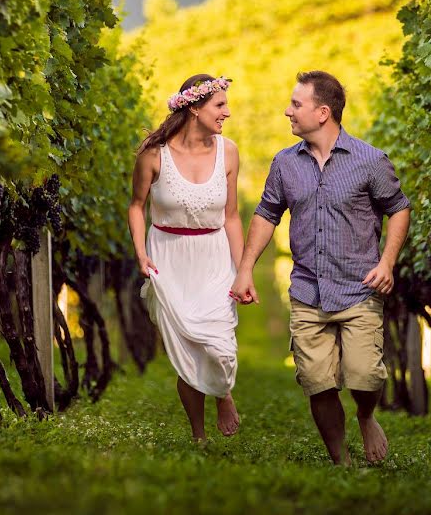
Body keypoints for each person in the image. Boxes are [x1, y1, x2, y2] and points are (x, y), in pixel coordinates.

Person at [230, 71, 411, 465]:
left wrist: (387, 262)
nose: (287, 112)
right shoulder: (284, 164)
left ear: (323, 112)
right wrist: (245, 269)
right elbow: (266, 215)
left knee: (364, 375)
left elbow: (398, 208)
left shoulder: (370, 161)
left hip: (359, 288)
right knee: (318, 383)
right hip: (308, 291)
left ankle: (365, 416)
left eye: (296, 105)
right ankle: (341, 462)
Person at [128, 74, 243, 441]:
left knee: (220, 342)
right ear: (194, 108)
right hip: (169, 257)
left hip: (213, 256)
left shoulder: (230, 151)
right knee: (187, 350)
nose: (227, 111)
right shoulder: (154, 153)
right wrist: (141, 254)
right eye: (219, 105)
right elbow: (136, 206)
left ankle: (224, 391)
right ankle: (198, 435)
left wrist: (243, 272)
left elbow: (232, 216)